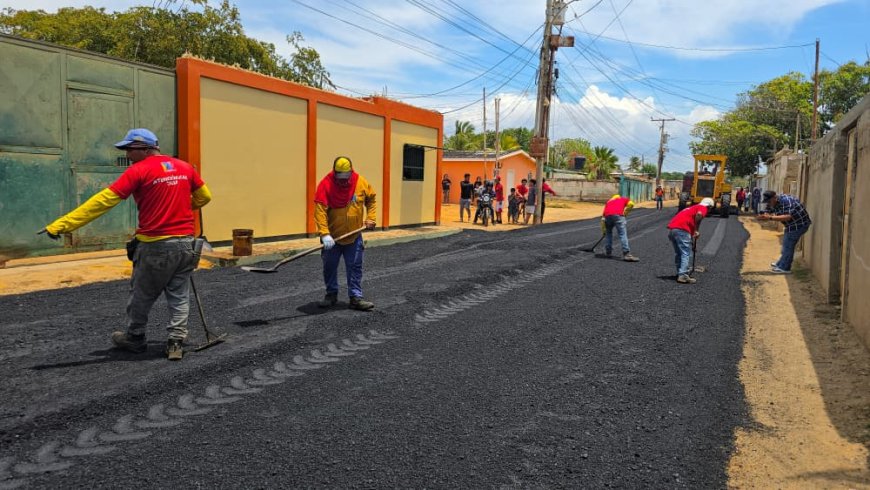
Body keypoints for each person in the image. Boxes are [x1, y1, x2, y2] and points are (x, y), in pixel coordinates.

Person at [39, 128, 212, 360]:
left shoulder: (138, 171)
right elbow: (205, 197)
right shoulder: (184, 167)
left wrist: (62, 225)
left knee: (142, 295)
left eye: (129, 149)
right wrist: (179, 208)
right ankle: (176, 341)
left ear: (144, 148)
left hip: (155, 246)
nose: (127, 154)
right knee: (179, 294)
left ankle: (135, 338)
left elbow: (102, 201)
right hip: (186, 245)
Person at [314, 156, 377, 311]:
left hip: (354, 237)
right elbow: (320, 211)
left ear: (351, 171)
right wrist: (324, 234)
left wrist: (371, 218)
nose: (343, 181)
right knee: (329, 267)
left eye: (345, 177)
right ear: (334, 172)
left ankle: (355, 298)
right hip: (332, 238)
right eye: (339, 177)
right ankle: (331, 294)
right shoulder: (325, 185)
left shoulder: (360, 182)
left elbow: (371, 199)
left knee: (355, 267)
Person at [757, 191, 812, 274]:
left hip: (799, 224)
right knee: (786, 244)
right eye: (767, 201)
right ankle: (781, 263)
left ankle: (785, 268)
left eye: (769, 201)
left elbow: (787, 217)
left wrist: (770, 217)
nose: (768, 203)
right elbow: (768, 210)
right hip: (791, 225)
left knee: (788, 245)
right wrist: (764, 214)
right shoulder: (773, 202)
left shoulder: (786, 201)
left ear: (774, 197)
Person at [667, 197, 715, 284]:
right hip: (682, 230)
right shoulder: (703, 207)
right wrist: (697, 230)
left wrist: (692, 244)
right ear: (709, 206)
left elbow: (689, 226)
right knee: (685, 253)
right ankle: (683, 275)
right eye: (710, 208)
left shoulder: (691, 208)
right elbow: (699, 215)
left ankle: (680, 272)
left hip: (673, 230)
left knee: (679, 253)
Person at [600, 194, 640, 262]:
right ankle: (626, 254)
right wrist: (625, 213)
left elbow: (603, 218)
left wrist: (604, 230)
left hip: (607, 217)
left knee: (608, 234)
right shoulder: (623, 199)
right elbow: (631, 204)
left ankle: (608, 252)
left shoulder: (609, 202)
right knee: (622, 234)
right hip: (618, 216)